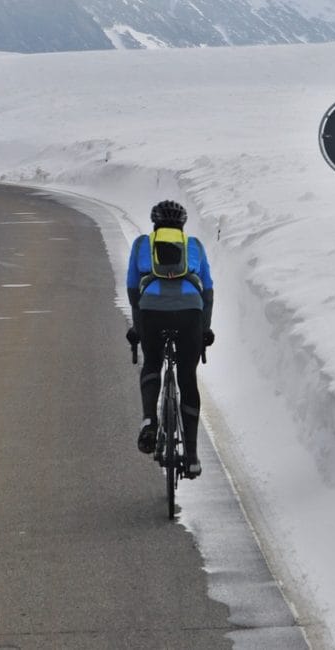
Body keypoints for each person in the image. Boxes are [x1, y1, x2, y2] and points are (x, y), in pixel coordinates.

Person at [125, 200, 214, 478]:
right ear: (182, 225)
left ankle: (150, 419)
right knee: (187, 377)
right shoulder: (195, 246)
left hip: (152, 311)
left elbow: (132, 289)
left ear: (155, 225)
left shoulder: (142, 244)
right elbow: (208, 292)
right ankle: (191, 456)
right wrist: (204, 329)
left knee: (152, 362)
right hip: (190, 312)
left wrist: (138, 327)